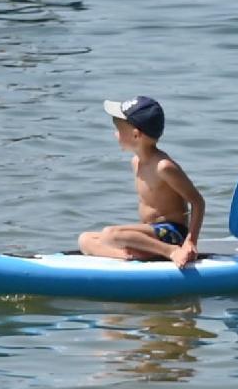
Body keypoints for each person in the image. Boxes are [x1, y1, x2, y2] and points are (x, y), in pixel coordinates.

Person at [78, 96, 202, 266]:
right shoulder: (136, 162)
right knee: (84, 239)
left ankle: (171, 251)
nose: (115, 134)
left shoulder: (163, 167)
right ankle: (130, 254)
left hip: (172, 233)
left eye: (119, 129)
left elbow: (198, 202)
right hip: (150, 231)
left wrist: (190, 241)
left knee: (111, 234)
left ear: (136, 135)